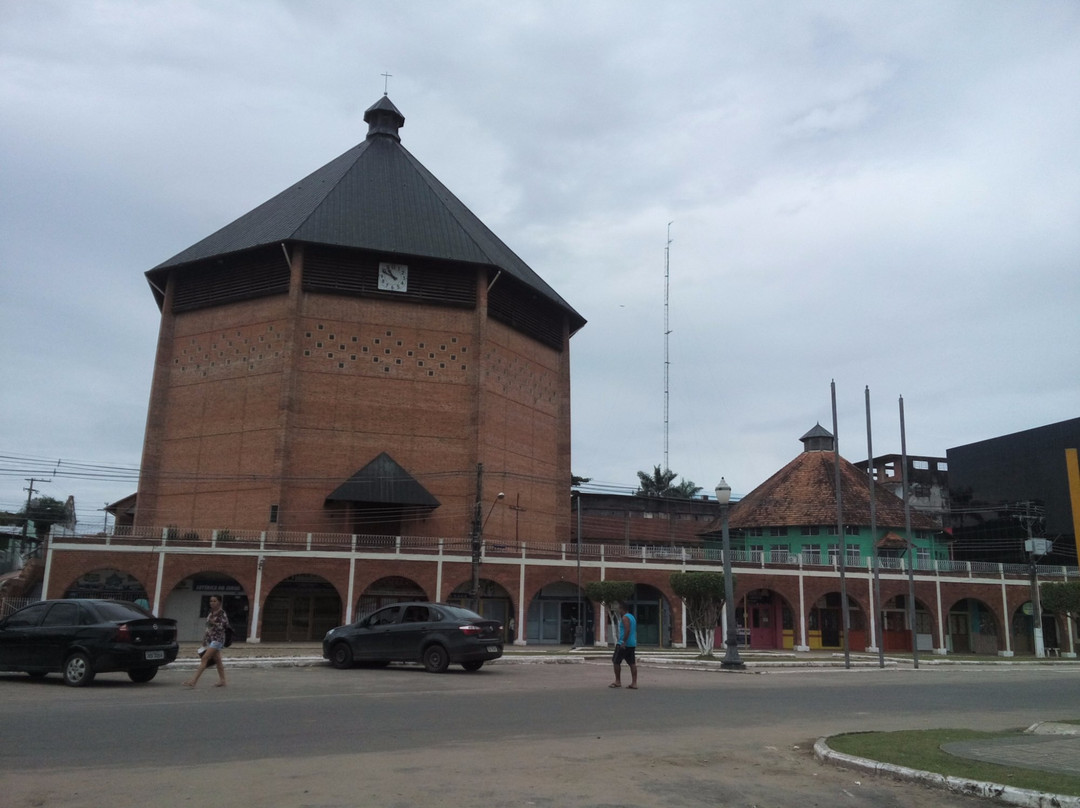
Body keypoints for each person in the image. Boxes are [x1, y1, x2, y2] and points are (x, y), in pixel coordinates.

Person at [183, 595, 229, 688]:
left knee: (205, 658)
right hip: (211, 640)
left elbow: (224, 626)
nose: (212, 603)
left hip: (218, 640)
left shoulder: (222, 613)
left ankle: (193, 681)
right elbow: (208, 628)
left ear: (219, 602)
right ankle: (222, 680)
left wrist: (214, 623)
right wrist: (205, 639)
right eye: (211, 601)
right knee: (218, 660)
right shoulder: (211, 613)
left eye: (214, 601)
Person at [610, 601, 638, 689]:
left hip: (623, 644)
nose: (618, 610)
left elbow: (627, 630)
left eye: (619, 608)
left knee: (616, 661)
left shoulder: (625, 618)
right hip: (632, 643)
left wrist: (623, 642)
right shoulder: (632, 617)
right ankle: (634, 683)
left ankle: (618, 681)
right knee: (632, 663)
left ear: (623, 608)